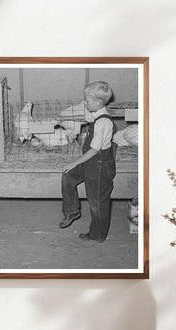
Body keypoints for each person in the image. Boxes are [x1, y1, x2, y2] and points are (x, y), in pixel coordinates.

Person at [59, 81, 116, 243]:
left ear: (98, 103)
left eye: (88, 100)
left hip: (99, 165)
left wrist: (75, 162)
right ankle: (72, 211)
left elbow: (94, 149)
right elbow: (82, 116)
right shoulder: (95, 114)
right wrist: (60, 120)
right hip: (91, 162)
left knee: (97, 202)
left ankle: (97, 235)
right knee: (68, 175)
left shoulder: (103, 122)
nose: (85, 103)